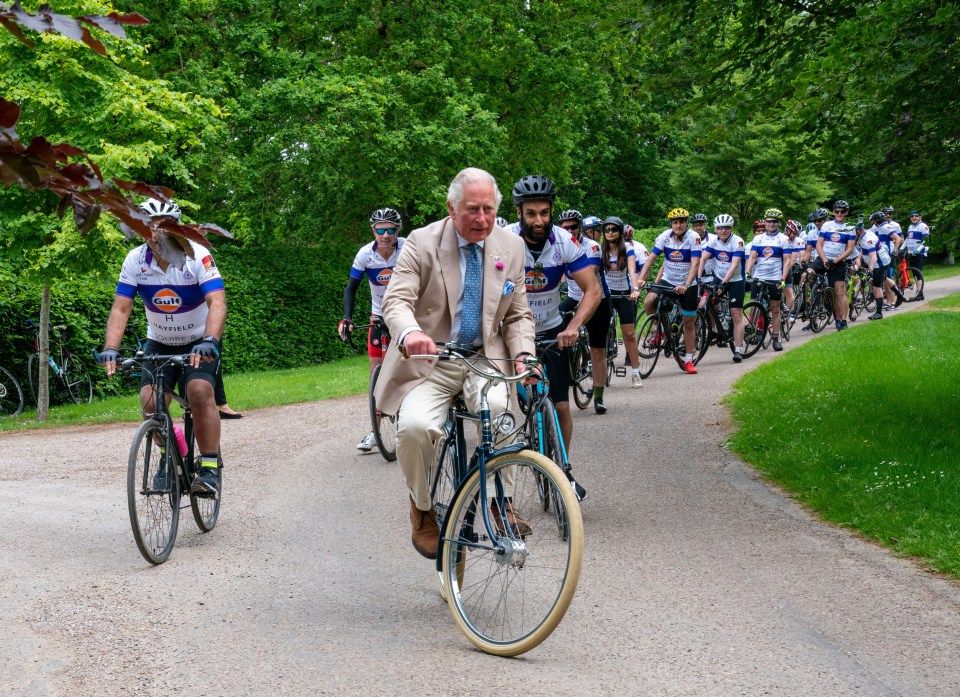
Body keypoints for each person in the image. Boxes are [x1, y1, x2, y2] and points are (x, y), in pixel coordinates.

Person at [374, 168, 536, 560]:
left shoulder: (510, 246)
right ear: (451, 208)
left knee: (499, 412)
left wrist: (524, 354)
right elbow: (396, 301)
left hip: (485, 357)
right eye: (472, 210)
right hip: (431, 360)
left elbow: (516, 315)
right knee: (415, 428)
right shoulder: (421, 242)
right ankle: (423, 507)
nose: (482, 219)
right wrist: (410, 333)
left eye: (489, 209)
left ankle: (501, 502)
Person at [98, 198, 226, 497]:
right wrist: (111, 348)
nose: (155, 233)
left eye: (163, 226)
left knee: (199, 391)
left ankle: (209, 467)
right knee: (149, 402)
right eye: (149, 226)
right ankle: (170, 455)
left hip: (199, 341)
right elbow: (121, 308)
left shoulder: (198, 256)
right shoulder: (135, 260)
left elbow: (216, 302)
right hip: (159, 341)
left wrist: (210, 341)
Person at [506, 175, 600, 486]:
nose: (538, 220)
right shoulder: (503, 240)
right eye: (531, 213)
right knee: (502, 406)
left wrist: (573, 326)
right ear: (519, 212)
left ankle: (563, 471)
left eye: (544, 213)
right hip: (513, 334)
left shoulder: (564, 241)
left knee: (560, 406)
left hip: (552, 329)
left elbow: (593, 290)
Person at [338, 208, 406, 451]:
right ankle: (375, 432)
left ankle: (414, 421)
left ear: (398, 231)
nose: (385, 235)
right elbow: (351, 289)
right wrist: (347, 318)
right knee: (375, 373)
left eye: (390, 229)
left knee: (411, 368)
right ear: (373, 231)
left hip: (406, 314)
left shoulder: (408, 249)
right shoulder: (365, 254)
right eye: (380, 229)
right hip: (379, 315)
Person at [558, 209, 614, 413]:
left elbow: (589, 282)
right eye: (566, 228)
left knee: (597, 349)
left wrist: (579, 315)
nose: (570, 230)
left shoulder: (592, 247)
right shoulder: (559, 245)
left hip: (597, 297)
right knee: (553, 334)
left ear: (581, 228)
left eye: (573, 226)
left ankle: (598, 396)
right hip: (573, 296)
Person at [638, 207, 702, 374]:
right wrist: (641, 279)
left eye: (681, 222)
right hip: (668, 279)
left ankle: (688, 360)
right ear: (671, 224)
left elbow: (695, 263)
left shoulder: (693, 238)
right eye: (675, 222)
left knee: (688, 322)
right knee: (649, 301)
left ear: (686, 223)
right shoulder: (664, 237)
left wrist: (687, 285)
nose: (678, 225)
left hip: (687, 282)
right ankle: (660, 331)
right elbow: (651, 259)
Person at [600, 216, 643, 387]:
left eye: (614, 230)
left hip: (625, 292)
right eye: (607, 230)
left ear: (620, 232)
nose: (610, 233)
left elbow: (632, 271)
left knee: (629, 334)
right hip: (606, 293)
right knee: (599, 331)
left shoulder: (628, 248)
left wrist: (635, 289)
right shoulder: (599, 249)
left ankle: (635, 372)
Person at [698, 214, 746, 362]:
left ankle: (737, 349)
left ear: (731, 229)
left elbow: (734, 265)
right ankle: (715, 329)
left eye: (726, 228)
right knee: (704, 302)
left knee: (736, 314)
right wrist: (698, 278)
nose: (723, 231)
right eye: (720, 228)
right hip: (719, 275)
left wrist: (723, 284)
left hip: (736, 279)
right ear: (715, 229)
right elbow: (703, 259)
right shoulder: (713, 241)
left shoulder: (738, 242)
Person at [745, 208, 790, 351]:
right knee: (754, 304)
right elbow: (752, 257)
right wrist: (747, 273)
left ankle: (776, 338)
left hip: (775, 278)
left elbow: (787, 260)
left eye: (774, 222)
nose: (771, 224)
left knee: (775, 309)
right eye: (768, 221)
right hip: (759, 276)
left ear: (778, 223)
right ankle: (754, 331)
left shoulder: (783, 239)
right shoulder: (758, 239)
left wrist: (783, 277)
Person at [814, 199, 857, 331]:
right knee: (807, 274)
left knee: (839, 291)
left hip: (839, 261)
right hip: (823, 258)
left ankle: (842, 320)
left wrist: (835, 261)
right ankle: (810, 305)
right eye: (836, 211)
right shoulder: (826, 226)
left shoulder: (850, 228)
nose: (839, 213)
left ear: (846, 213)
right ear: (833, 212)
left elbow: (849, 249)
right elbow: (819, 245)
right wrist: (825, 259)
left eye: (842, 212)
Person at [905, 210, 930, 297]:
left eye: (916, 216)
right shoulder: (910, 227)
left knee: (918, 273)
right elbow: (907, 240)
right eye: (912, 216)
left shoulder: (923, 226)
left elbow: (926, 241)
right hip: (911, 253)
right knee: (915, 273)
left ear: (920, 217)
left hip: (920, 253)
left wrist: (918, 250)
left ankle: (920, 293)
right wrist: (900, 249)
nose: (914, 217)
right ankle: (918, 293)